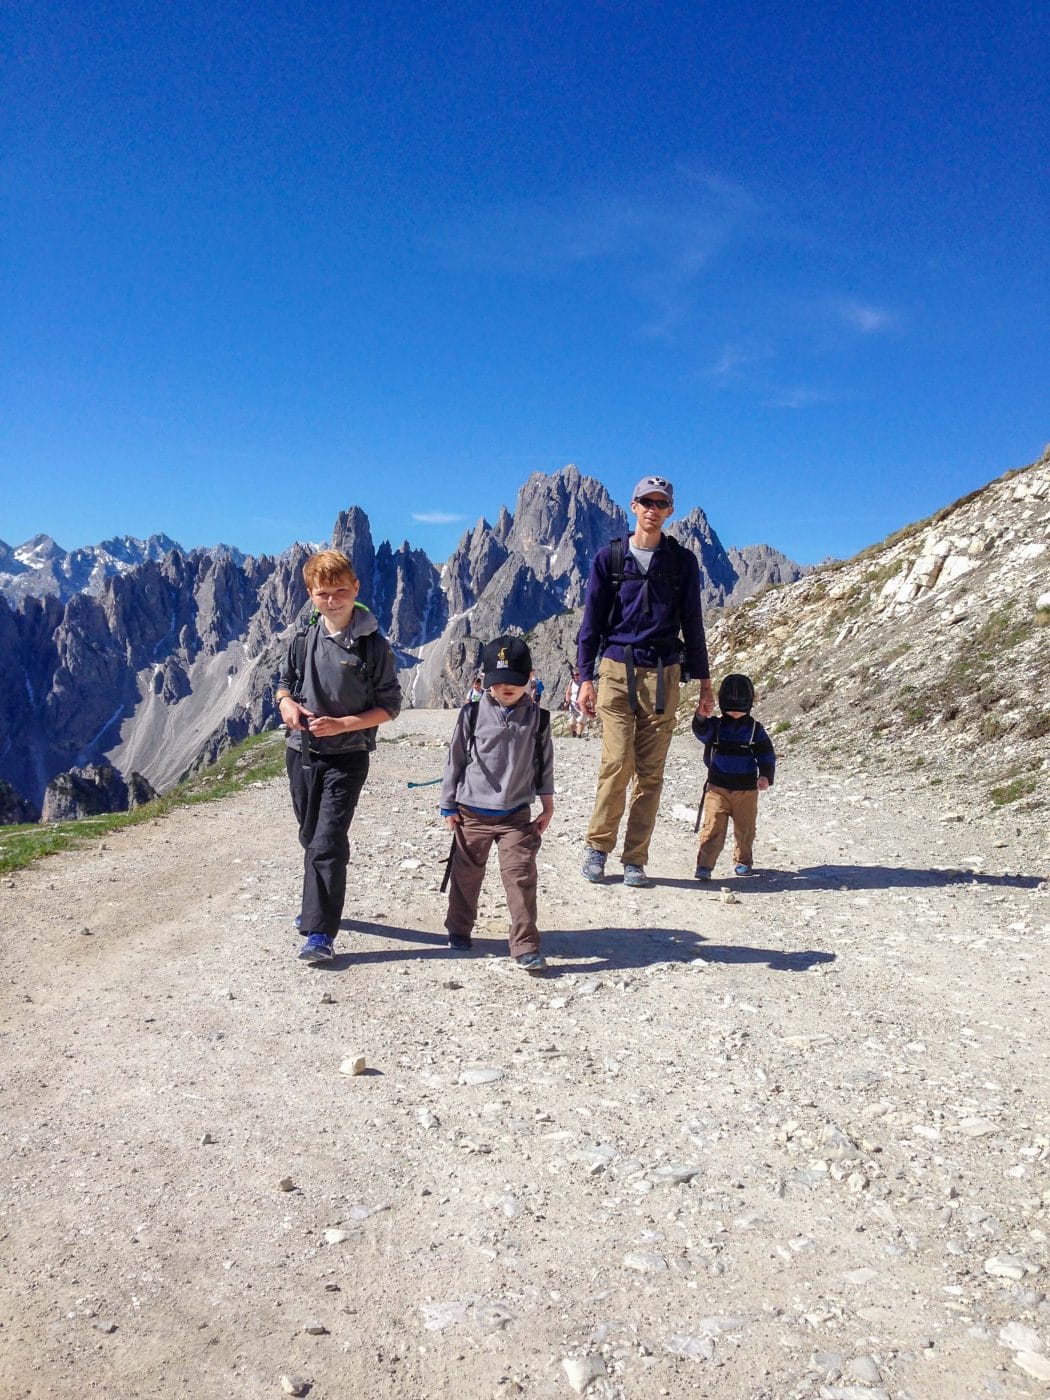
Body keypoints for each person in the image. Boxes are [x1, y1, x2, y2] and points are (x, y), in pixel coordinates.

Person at [577, 475, 715, 887]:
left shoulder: (682, 562)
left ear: (670, 510)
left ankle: (634, 858)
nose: (653, 509)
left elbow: (693, 623)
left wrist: (705, 684)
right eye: (646, 502)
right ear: (633, 506)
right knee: (618, 762)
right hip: (617, 670)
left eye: (662, 503)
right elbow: (591, 623)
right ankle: (598, 847)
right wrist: (585, 678)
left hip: (665, 674)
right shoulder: (610, 559)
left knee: (651, 772)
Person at [274, 549, 402, 964]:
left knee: (327, 840)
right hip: (302, 753)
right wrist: (286, 705)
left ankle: (319, 933)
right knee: (310, 836)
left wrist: (345, 724)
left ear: (356, 590)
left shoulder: (373, 645)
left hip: (347, 755)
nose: (333, 600)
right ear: (310, 594)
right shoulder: (301, 636)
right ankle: (318, 904)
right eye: (323, 593)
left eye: (340, 591)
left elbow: (390, 706)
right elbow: (284, 682)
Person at [439, 635, 554, 972]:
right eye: (498, 681)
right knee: (466, 875)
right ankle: (459, 929)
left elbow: (544, 766)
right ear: (484, 681)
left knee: (520, 877)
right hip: (471, 813)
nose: (506, 687)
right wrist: (448, 805)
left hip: (516, 816)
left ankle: (525, 946)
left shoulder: (539, 719)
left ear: (530, 677)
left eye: (515, 681)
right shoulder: (471, 715)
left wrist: (547, 806)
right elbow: (455, 760)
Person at [692, 673, 776, 879]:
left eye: (739, 710)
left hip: (746, 791)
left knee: (745, 830)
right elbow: (701, 732)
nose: (735, 714)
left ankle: (743, 861)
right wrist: (701, 716)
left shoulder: (755, 730)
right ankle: (704, 865)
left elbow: (766, 753)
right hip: (717, 788)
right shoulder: (716, 726)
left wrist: (765, 775)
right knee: (712, 828)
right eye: (731, 710)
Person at [564, 666, 590, 738]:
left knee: (581, 720)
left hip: (583, 704)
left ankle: (579, 735)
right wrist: (567, 700)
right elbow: (568, 692)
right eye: (574, 674)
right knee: (572, 722)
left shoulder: (585, 682)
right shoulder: (571, 682)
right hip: (572, 704)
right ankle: (574, 732)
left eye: (577, 674)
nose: (575, 676)